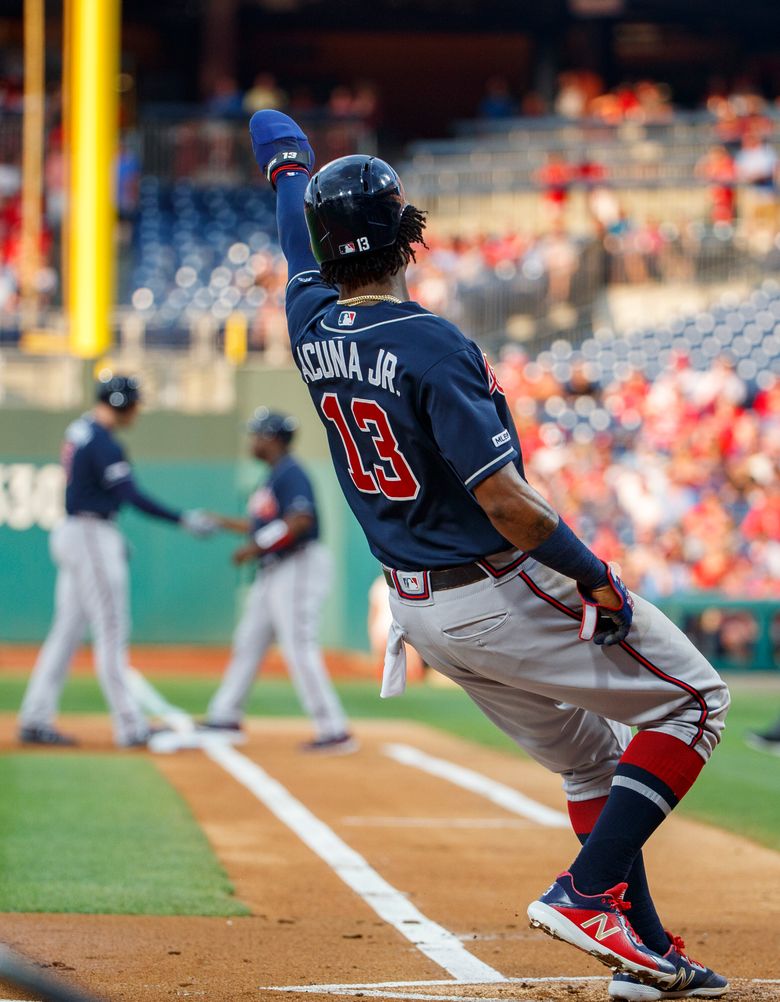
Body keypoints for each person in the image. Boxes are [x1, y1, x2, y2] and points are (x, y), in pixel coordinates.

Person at [247, 110, 731, 998]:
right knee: (697, 701)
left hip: (418, 610)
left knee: (592, 760)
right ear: (407, 236)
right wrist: (597, 575)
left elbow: (297, 244)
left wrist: (287, 168)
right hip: (495, 589)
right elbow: (506, 503)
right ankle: (588, 895)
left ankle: (640, 952)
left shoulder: (310, 322)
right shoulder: (430, 342)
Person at [18, 374, 216, 748]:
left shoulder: (82, 430)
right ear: (121, 402)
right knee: (111, 630)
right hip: (90, 534)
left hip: (79, 531)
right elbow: (130, 495)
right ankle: (130, 725)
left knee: (66, 634)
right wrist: (183, 519)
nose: (137, 410)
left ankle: (34, 716)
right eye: (135, 403)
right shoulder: (102, 442)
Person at [200, 407, 356, 753]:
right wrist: (224, 524)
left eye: (257, 434)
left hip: (297, 565)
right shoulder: (273, 475)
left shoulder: (291, 473)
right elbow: (260, 525)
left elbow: (300, 520)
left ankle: (333, 729)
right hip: (275, 570)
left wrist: (255, 547)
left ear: (272, 439)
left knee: (299, 647)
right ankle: (225, 714)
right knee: (249, 640)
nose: (252, 441)